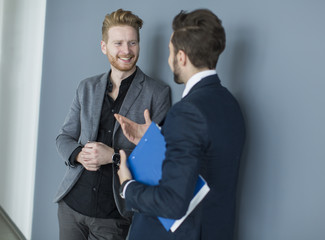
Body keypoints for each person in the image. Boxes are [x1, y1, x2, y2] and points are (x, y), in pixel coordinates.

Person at [115, 9, 245, 240]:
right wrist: (157, 137)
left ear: (181, 57)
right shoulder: (230, 104)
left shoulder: (186, 112)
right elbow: (205, 158)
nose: (169, 59)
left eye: (170, 52)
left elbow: (172, 204)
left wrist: (127, 186)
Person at [54, 8, 171, 240]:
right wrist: (79, 154)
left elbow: (159, 160)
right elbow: (63, 137)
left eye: (133, 43)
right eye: (118, 43)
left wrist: (114, 157)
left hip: (114, 215)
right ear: (104, 46)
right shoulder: (85, 87)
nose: (126, 51)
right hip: (71, 206)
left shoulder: (158, 93)